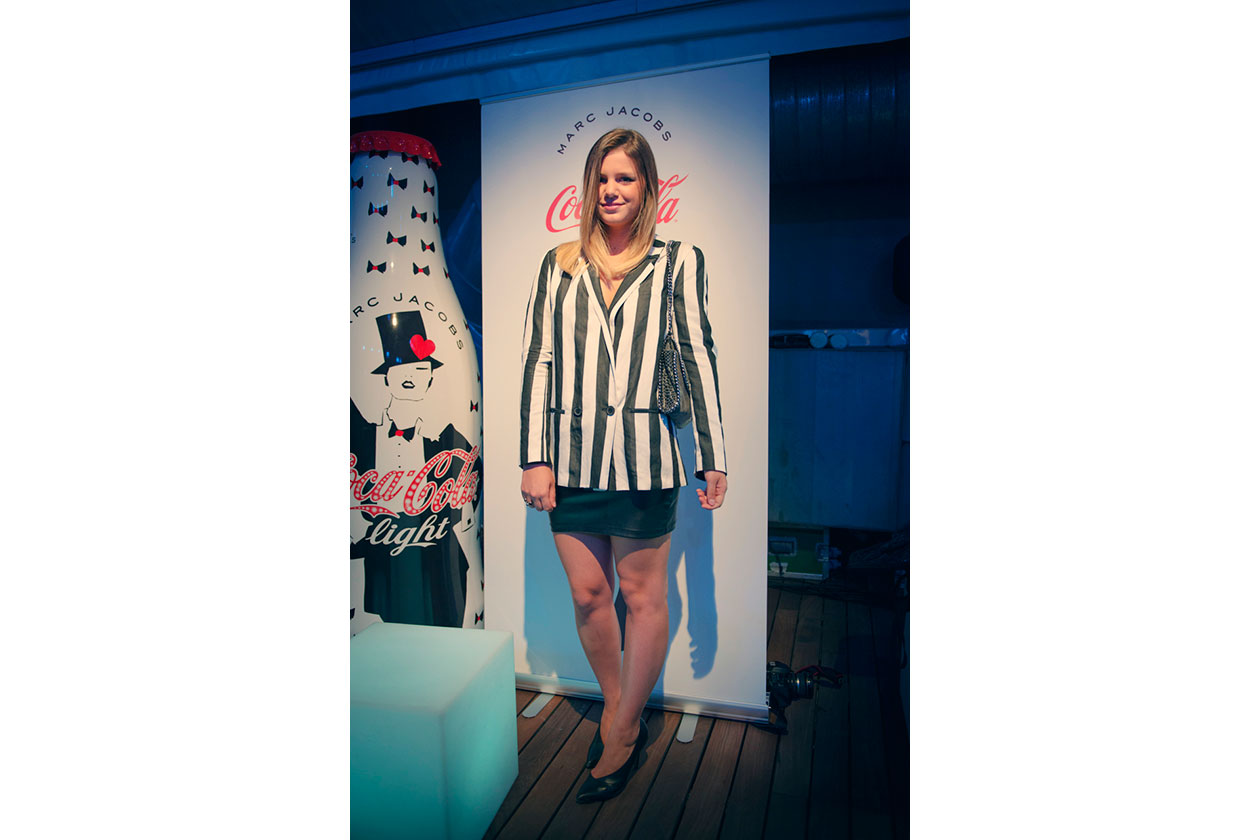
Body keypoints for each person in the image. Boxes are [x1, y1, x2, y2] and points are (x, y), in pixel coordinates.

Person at [519, 127, 727, 804]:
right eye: (602, 178)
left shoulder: (678, 260)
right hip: (572, 459)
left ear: (647, 188)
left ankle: (625, 728)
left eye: (625, 178)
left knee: (642, 597)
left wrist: (713, 455)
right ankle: (619, 708)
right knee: (589, 594)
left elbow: (698, 357)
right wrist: (535, 457)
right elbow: (539, 359)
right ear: (590, 187)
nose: (611, 190)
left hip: (645, 461)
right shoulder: (558, 263)